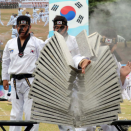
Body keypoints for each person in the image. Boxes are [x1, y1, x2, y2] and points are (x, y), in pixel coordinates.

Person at [45, 15, 93, 131]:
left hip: (76, 83)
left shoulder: (76, 40)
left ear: (67, 27)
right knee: (62, 118)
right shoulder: (48, 42)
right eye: (56, 27)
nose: (59, 29)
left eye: (61, 27)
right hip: (58, 84)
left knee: (79, 114)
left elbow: (84, 57)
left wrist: (83, 62)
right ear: (53, 28)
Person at [2, 15, 45, 131]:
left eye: (25, 26)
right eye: (20, 26)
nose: (22, 28)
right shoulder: (10, 43)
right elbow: (5, 62)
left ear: (29, 27)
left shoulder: (38, 43)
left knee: (31, 111)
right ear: (16, 27)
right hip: (15, 81)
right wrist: (5, 78)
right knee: (15, 113)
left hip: (31, 81)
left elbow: (44, 62)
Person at [100, 28, 131, 131]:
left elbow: (119, 90)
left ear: (116, 45)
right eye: (104, 44)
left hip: (108, 105)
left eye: (110, 46)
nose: (107, 48)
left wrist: (122, 76)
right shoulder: (89, 57)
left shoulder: (115, 62)